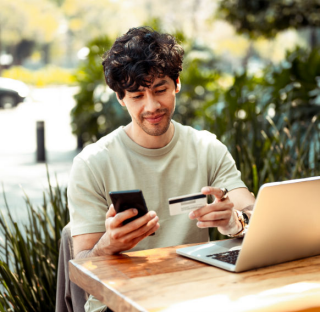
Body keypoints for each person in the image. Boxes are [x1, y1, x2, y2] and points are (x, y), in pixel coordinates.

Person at [68, 26, 255, 312]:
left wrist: (235, 222)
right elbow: (81, 265)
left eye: (160, 90)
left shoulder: (207, 148)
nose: (152, 106)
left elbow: (256, 218)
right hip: (121, 302)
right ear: (120, 97)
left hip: (196, 294)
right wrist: (108, 245)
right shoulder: (92, 163)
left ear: (177, 84)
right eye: (137, 95)